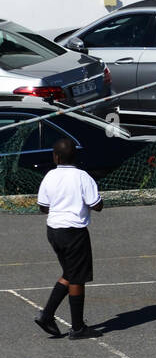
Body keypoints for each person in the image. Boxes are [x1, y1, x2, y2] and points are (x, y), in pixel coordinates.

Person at [35, 135, 103, 340]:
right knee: (77, 277)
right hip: (74, 231)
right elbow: (96, 205)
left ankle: (47, 315)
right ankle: (77, 327)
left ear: (56, 157)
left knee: (70, 273)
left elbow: (42, 207)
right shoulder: (83, 177)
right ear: (75, 157)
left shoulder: (49, 177)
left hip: (54, 230)